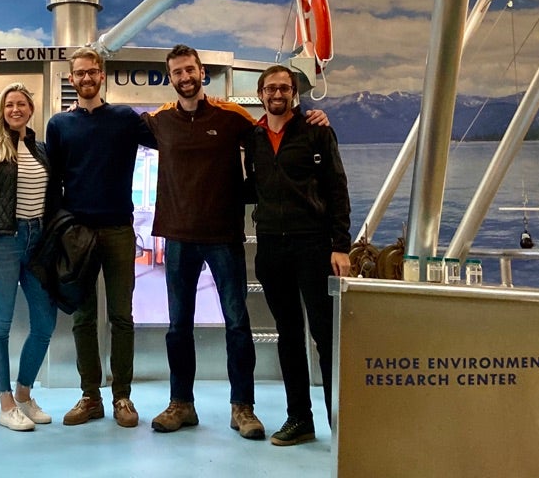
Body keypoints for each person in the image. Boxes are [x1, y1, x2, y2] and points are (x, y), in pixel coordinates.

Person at [143, 44, 327, 440]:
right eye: (177, 72)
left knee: (238, 325)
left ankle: (243, 407)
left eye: (190, 69)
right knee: (178, 327)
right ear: (171, 77)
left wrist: (315, 118)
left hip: (223, 236)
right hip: (177, 237)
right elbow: (113, 132)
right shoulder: (159, 120)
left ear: (201, 73)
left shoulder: (234, 117)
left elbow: (273, 133)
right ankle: (181, 404)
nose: (184, 77)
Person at [46, 47, 157, 429]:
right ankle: (90, 396)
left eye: (92, 71)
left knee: (122, 316)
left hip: (118, 229)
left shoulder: (125, 119)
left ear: (102, 75)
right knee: (83, 316)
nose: (86, 78)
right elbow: (51, 181)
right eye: (79, 73)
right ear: (71, 78)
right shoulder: (59, 124)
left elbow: (172, 139)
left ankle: (122, 396)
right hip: (76, 232)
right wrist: (59, 229)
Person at [243, 64, 351, 447]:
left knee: (325, 335)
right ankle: (299, 420)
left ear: (293, 93)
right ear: (260, 94)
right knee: (288, 335)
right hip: (272, 247)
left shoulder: (317, 130)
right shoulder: (253, 136)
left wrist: (341, 245)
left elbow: (337, 188)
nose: (277, 94)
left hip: (314, 245)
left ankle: (341, 423)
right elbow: (250, 187)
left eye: (283, 88)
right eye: (270, 88)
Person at [0, 82, 59, 432]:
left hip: (37, 242)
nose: (16, 109)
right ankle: (5, 403)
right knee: (0, 327)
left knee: (44, 324)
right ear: (1, 110)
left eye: (22, 103)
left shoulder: (39, 149)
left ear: (31, 109)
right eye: (9, 105)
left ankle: (24, 393)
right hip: (2, 242)